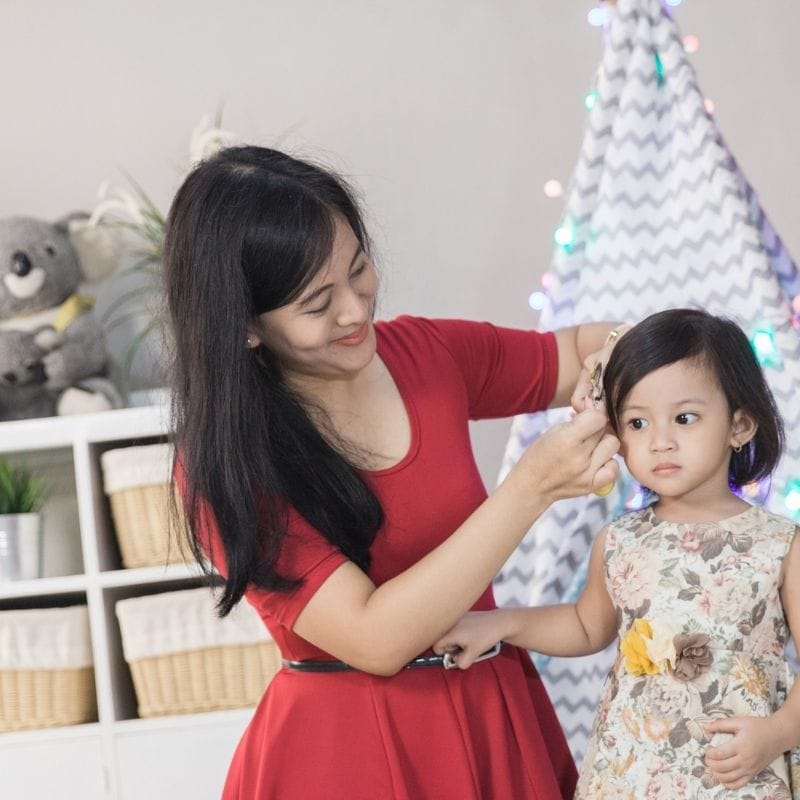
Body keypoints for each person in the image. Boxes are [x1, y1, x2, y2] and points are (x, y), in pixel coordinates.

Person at [162, 144, 624, 799]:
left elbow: (580, 352)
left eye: (359, 270)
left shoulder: (428, 354)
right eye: (318, 303)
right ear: (244, 327)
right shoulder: (225, 467)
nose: (355, 311)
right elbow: (375, 638)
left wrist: (657, 359)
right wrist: (531, 488)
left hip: (493, 713)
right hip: (347, 758)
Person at [434, 308, 800, 798]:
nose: (661, 441)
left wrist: (777, 733)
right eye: (637, 422)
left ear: (740, 425)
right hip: (632, 772)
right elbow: (588, 626)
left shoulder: (779, 543)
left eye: (685, 418)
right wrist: (502, 622)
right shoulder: (620, 540)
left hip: (735, 774)